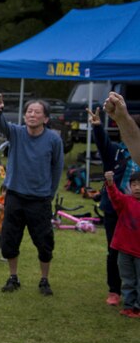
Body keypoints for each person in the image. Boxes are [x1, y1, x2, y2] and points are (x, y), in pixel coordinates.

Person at [0, 94, 63, 296]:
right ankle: (13, 277)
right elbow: (0, 124)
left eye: (37, 112)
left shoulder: (53, 139)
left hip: (40, 199)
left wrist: (50, 193)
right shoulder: (16, 133)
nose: (32, 115)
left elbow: (57, 168)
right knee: (10, 239)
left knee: (44, 242)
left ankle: (44, 280)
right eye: (29, 112)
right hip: (15, 196)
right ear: (24, 116)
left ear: (46, 118)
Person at [89, 106, 140, 306]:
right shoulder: (117, 150)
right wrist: (97, 126)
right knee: (116, 249)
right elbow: (102, 144)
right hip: (116, 208)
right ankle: (114, 290)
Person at [103, 170, 140, 318]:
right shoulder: (125, 201)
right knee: (127, 280)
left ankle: (138, 308)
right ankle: (129, 306)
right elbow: (114, 196)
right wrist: (110, 183)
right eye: (134, 184)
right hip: (124, 250)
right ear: (130, 186)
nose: (137, 188)